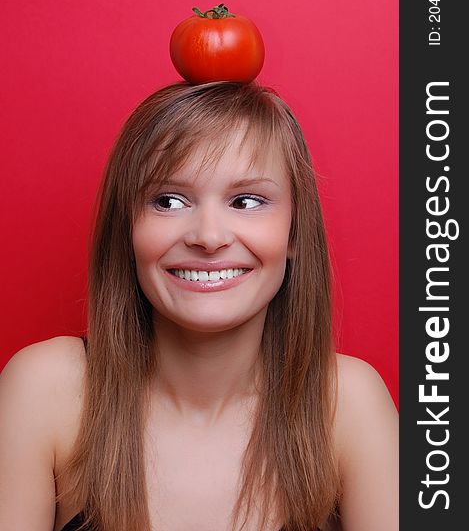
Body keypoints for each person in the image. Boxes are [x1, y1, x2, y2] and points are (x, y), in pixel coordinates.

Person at [0, 81, 398, 531]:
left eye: (247, 201)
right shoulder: (46, 391)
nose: (208, 237)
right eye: (169, 200)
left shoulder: (348, 404)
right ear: (127, 229)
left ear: (294, 234)